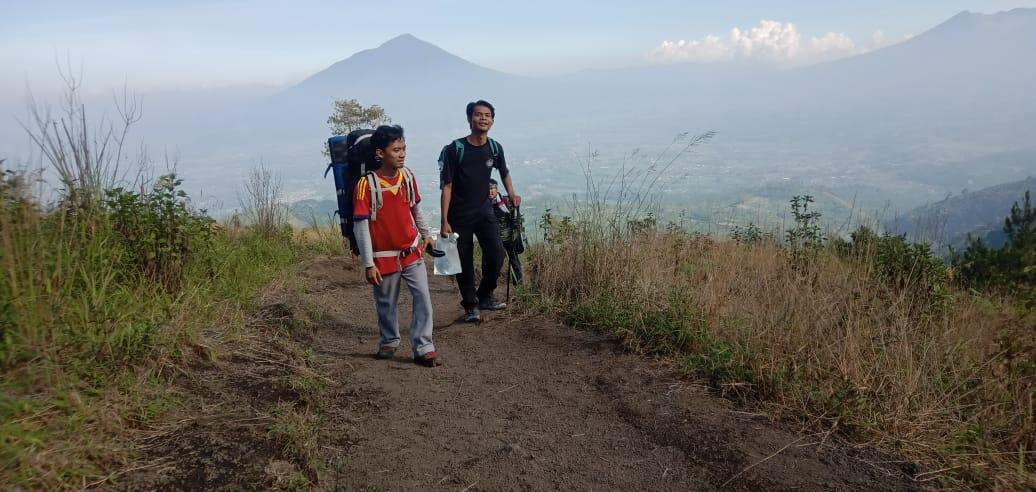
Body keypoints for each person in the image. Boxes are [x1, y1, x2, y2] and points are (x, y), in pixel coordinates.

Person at [353, 124, 440, 367]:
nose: (401, 154)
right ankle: (389, 340)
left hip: (411, 251)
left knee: (422, 296)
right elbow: (360, 226)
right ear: (380, 153)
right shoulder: (366, 185)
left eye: (404, 149)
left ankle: (424, 346)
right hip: (383, 256)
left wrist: (426, 235)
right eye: (396, 150)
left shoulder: (408, 177)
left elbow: (415, 209)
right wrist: (368, 263)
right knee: (386, 302)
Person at [438, 99, 522, 322]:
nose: (483, 118)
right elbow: (447, 186)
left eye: (487, 115)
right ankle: (470, 306)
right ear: (469, 119)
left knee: (497, 254)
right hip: (459, 214)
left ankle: (484, 295)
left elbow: (504, 172)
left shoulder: (495, 148)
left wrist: (511, 194)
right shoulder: (455, 149)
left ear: (492, 120)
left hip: (485, 211)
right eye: (478, 114)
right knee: (463, 261)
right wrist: (444, 220)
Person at [488, 179, 524, 285]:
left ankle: (519, 285)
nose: (490, 191)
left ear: (496, 189)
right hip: (495, 240)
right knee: (494, 263)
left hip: (509, 237)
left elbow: (515, 217)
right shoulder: (484, 205)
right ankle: (489, 288)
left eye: (491, 188)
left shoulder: (505, 202)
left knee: (514, 261)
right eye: (487, 189)